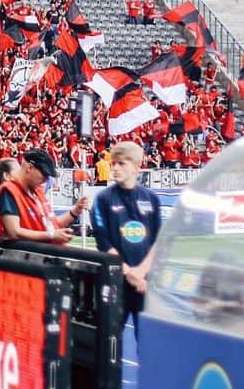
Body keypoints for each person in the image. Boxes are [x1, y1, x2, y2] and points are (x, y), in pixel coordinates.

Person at [91, 142, 162, 340]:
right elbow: (103, 243)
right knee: (109, 345)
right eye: (113, 163)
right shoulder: (103, 199)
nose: (114, 168)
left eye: (121, 164)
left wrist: (141, 272)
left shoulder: (151, 199)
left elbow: (158, 240)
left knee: (149, 345)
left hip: (145, 284)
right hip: (115, 282)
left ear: (137, 166)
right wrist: (130, 273)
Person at [0, 148, 89, 244]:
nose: (46, 179)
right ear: (29, 168)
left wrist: (74, 212)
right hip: (30, 256)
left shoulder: (38, 191)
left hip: (47, 254)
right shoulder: (9, 191)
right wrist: (51, 235)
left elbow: (51, 223)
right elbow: (14, 232)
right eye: (44, 174)